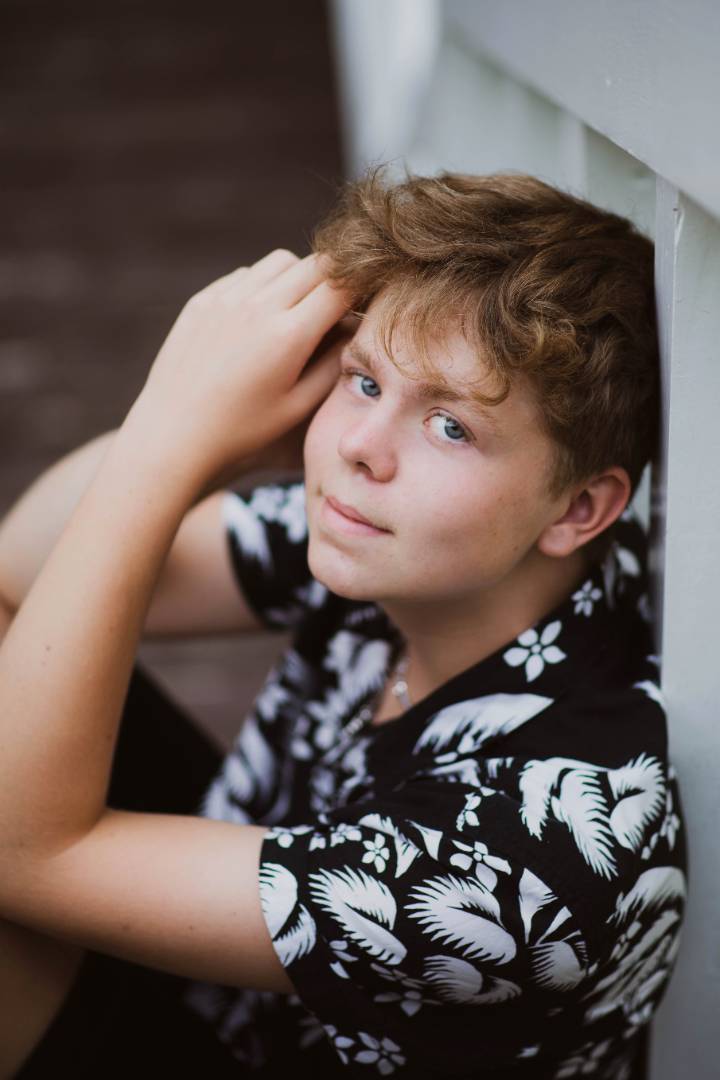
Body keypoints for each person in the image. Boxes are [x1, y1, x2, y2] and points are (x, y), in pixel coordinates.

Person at [0, 167, 687, 1079]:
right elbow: (25, 564)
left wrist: (176, 430)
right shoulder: (441, 544)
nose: (362, 448)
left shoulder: (530, 859)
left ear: (579, 510)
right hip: (229, 980)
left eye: (451, 426)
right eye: (363, 380)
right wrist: (233, 431)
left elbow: (21, 854)